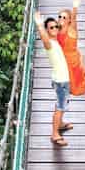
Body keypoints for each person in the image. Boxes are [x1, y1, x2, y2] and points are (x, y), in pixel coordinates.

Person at [34, 11, 73, 147]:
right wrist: (39, 25)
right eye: (51, 28)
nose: (55, 29)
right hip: (61, 81)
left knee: (63, 104)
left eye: (56, 26)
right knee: (60, 106)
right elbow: (44, 39)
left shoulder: (56, 41)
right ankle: (55, 134)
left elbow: (67, 27)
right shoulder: (49, 44)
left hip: (62, 79)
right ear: (47, 30)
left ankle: (60, 124)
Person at [57, 0, 85, 100]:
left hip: (72, 59)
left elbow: (74, 18)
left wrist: (75, 7)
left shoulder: (72, 29)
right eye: (60, 17)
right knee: (75, 79)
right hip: (64, 60)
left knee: (74, 89)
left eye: (64, 18)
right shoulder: (58, 30)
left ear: (69, 20)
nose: (61, 19)